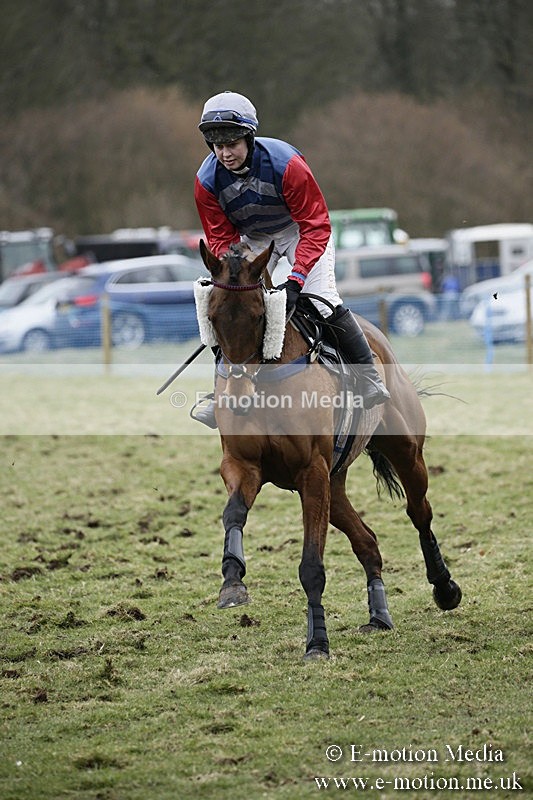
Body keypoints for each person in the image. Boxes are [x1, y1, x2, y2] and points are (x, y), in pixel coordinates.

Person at [193, 90, 390, 427]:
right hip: (253, 240)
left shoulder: (287, 166)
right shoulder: (206, 181)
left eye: (232, 144)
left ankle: (368, 376)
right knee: (227, 306)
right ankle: (219, 393)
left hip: (300, 230)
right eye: (217, 145)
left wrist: (296, 280)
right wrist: (234, 277)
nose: (224, 153)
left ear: (249, 138)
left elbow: (316, 225)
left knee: (324, 300)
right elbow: (221, 240)